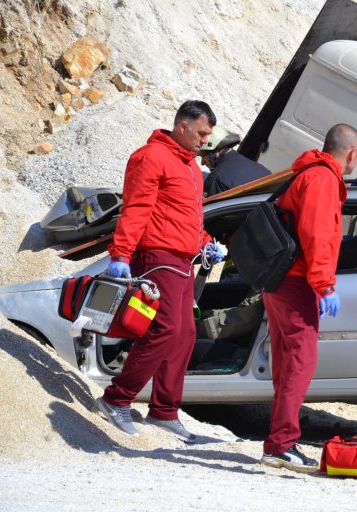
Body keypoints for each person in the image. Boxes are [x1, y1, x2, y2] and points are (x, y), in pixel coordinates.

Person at [95, 100, 226, 442]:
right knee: (164, 330)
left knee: (184, 335)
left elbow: (188, 215)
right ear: (181, 126)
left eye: (208, 135)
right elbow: (136, 209)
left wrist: (206, 241)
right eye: (201, 133)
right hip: (157, 257)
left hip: (182, 261)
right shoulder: (151, 157)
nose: (205, 142)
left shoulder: (190, 167)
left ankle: (164, 411)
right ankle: (116, 398)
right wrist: (121, 255)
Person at [260, 123, 357, 472]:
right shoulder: (322, 179)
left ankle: (279, 440)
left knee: (288, 364)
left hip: (282, 281)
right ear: (351, 154)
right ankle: (281, 444)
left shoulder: (309, 173)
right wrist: (325, 285)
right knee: (299, 364)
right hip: (297, 283)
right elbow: (318, 234)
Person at [201, 126, 271, 197]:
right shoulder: (264, 172)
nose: (202, 162)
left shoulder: (216, 179)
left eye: (203, 155)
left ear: (216, 151)